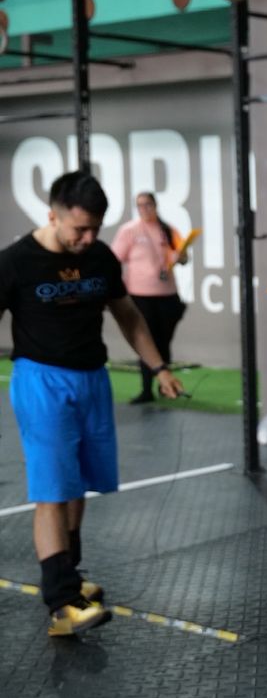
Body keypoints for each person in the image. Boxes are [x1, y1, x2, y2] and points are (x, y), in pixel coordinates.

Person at [0, 171, 183, 638]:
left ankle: (71, 575)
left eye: (94, 229)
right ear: (52, 215)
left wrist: (159, 367)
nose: (87, 239)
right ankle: (61, 602)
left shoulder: (100, 257)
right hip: (42, 381)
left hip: (92, 380)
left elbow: (127, 315)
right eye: (78, 229)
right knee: (53, 490)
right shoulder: (17, 262)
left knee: (78, 483)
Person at [111, 191, 187, 404]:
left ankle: (165, 384)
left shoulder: (168, 230)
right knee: (146, 340)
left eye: (147, 204)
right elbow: (114, 259)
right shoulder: (129, 230)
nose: (144, 209)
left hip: (168, 295)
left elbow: (183, 256)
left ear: (155, 205)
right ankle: (146, 389)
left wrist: (181, 256)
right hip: (140, 295)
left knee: (164, 342)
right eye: (140, 205)